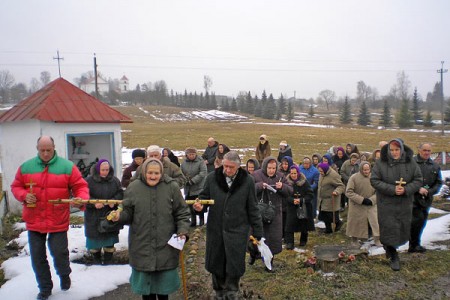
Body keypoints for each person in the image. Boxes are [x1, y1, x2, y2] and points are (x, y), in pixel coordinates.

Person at [11, 136, 89, 300]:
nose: (45, 153)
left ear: (54, 148)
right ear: (37, 149)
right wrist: (24, 195)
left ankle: (64, 274)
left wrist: (80, 199)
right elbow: (16, 186)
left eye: (49, 150)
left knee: (60, 254)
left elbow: (80, 186)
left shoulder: (67, 167)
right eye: (42, 150)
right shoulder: (26, 167)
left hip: (57, 219)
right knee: (38, 257)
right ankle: (45, 288)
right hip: (34, 220)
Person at [111, 158, 191, 300]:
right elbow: (127, 212)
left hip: (165, 245)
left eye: (156, 173)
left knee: (163, 289)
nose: (153, 176)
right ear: (144, 172)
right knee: (146, 292)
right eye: (150, 173)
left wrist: (183, 230)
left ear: (161, 173)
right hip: (142, 245)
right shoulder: (134, 187)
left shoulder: (171, 187)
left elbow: (182, 212)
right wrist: (119, 216)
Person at [193, 151, 263, 299]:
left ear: (238, 166)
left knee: (234, 263)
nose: (227, 170)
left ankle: (232, 291)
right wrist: (200, 206)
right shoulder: (212, 178)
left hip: (238, 229)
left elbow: (253, 207)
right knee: (216, 261)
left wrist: (258, 230)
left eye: (231, 167)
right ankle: (218, 291)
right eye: (225, 166)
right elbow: (204, 198)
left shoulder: (247, 181)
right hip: (216, 229)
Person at [370, 138, 422, 271]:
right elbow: (374, 180)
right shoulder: (381, 163)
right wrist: (392, 189)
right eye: (391, 150)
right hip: (386, 203)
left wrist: (406, 189)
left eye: (397, 150)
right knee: (388, 227)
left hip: (404, 203)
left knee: (401, 227)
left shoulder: (411, 163)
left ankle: (390, 247)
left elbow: (418, 179)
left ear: (402, 149)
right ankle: (393, 255)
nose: (394, 153)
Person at [252, 156, 292, 270]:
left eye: (274, 168)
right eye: (269, 168)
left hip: (275, 214)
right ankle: (254, 255)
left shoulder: (280, 176)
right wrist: (260, 186)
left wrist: (282, 187)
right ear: (265, 167)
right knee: (257, 237)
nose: (271, 170)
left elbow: (290, 190)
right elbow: (248, 189)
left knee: (272, 239)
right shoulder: (256, 175)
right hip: (259, 212)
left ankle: (269, 263)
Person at [85, 159, 124, 265]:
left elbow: (120, 193)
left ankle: (108, 261)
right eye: (103, 170)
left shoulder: (115, 180)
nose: (105, 172)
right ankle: (96, 261)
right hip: (93, 215)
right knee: (95, 241)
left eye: (107, 170)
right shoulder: (89, 181)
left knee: (109, 240)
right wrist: (93, 203)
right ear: (98, 170)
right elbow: (84, 195)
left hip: (109, 214)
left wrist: (114, 201)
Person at [409, 142, 442, 253]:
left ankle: (415, 244)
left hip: (426, 200)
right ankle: (413, 245)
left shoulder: (435, 165)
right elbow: (406, 179)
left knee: (422, 222)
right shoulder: (411, 162)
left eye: (429, 151)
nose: (427, 152)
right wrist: (418, 189)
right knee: (416, 221)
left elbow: (438, 183)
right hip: (412, 198)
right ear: (419, 150)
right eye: (425, 150)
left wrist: (429, 191)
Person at [345, 162, 381, 246]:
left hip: (371, 204)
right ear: (361, 169)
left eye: (368, 169)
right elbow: (349, 192)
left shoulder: (374, 178)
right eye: (364, 170)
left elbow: (379, 192)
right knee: (355, 223)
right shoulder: (353, 178)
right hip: (357, 205)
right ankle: (354, 240)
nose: (366, 171)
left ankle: (377, 239)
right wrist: (361, 200)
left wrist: (371, 200)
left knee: (375, 222)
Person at [285, 165, 315, 249]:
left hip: (304, 206)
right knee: (289, 225)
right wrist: (292, 200)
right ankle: (289, 242)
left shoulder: (304, 182)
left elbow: (310, 194)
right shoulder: (287, 183)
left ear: (298, 173)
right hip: (292, 207)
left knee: (304, 223)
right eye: (292, 173)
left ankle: (303, 240)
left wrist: (301, 200)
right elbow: (285, 195)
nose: (293, 175)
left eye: (295, 173)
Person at [181, 147, 208, 227]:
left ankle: (201, 221)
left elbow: (203, 173)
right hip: (188, 188)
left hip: (198, 188)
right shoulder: (184, 163)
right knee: (190, 205)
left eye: (193, 154)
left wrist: (193, 181)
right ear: (187, 155)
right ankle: (193, 221)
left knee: (199, 204)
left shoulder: (200, 162)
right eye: (190, 154)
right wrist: (185, 180)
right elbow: (181, 172)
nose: (192, 156)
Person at [317, 162, 345, 234]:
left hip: (331, 198)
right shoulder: (322, 174)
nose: (320, 172)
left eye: (321, 171)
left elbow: (341, 186)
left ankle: (339, 223)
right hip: (322, 199)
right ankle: (328, 230)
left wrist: (336, 191)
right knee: (324, 215)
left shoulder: (333, 175)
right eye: (319, 171)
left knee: (331, 216)